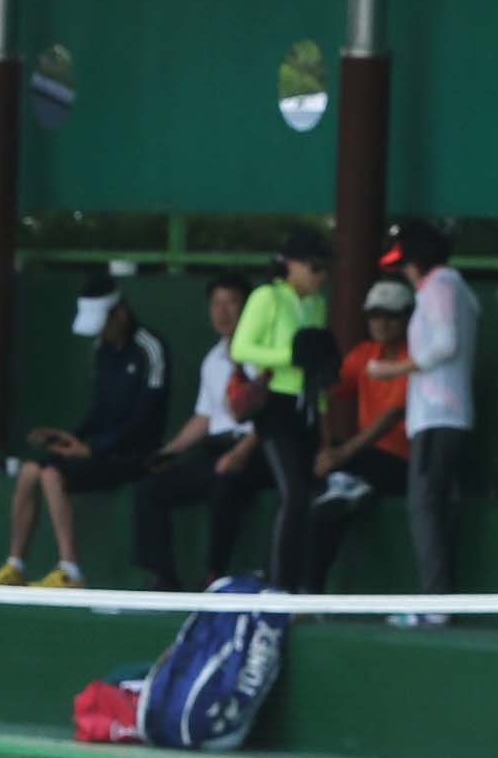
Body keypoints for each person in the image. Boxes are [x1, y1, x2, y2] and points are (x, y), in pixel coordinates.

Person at [0, 282, 167, 588]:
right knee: (30, 470)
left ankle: (70, 569)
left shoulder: (150, 348)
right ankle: (15, 565)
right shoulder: (100, 350)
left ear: (121, 314)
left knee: (51, 474)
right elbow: (99, 410)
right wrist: (67, 438)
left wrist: (94, 449)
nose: (100, 333)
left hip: (135, 456)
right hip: (96, 450)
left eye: (104, 325)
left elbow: (146, 418)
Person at [127, 274, 264, 591]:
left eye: (231, 303)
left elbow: (271, 418)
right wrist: (168, 452)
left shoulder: (262, 355)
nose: (223, 312)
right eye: (216, 304)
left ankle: (215, 576)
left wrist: (239, 454)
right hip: (217, 450)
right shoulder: (213, 360)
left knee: (225, 482)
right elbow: (204, 418)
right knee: (151, 488)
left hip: (256, 450)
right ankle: (162, 577)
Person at [298, 280, 420, 596]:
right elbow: (330, 389)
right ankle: (308, 592)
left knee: (339, 481)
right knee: (326, 504)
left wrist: (340, 456)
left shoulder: (414, 358)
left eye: (391, 316)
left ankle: (348, 481)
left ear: (408, 318)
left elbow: (392, 416)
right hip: (360, 458)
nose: (381, 323)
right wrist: (327, 448)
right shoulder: (365, 353)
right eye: (375, 315)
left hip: (402, 461)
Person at [390, 222, 477, 626]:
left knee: (424, 506)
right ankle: (439, 598)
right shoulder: (458, 290)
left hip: (438, 415)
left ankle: (436, 602)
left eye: (405, 262)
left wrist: (393, 369)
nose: (404, 270)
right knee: (436, 507)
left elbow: (446, 344)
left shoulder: (439, 287)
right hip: (446, 415)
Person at [232, 230, 329, 592]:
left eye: (324, 268)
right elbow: (242, 348)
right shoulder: (267, 297)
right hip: (274, 404)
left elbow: (317, 364)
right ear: (291, 265)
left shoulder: (317, 304)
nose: (320, 275)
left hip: (306, 406)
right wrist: (289, 357)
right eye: (313, 266)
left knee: (310, 493)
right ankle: (278, 585)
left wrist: (323, 421)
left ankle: (303, 583)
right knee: (293, 493)